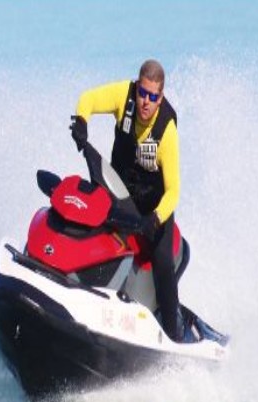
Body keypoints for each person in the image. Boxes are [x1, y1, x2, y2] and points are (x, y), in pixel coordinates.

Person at [70, 59, 184, 342]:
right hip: (117, 193)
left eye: (153, 97)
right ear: (137, 88)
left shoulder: (166, 131)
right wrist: (82, 121)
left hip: (152, 211)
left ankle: (174, 335)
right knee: (85, 217)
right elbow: (89, 99)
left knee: (162, 261)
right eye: (143, 93)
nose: (146, 102)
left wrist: (155, 219)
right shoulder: (124, 95)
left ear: (161, 97)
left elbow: (174, 190)